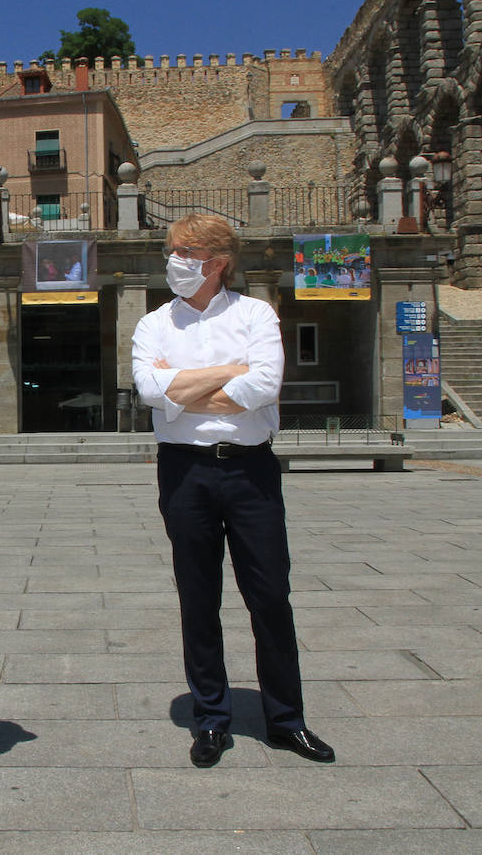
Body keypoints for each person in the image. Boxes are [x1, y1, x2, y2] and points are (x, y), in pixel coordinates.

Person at [131, 213, 334, 769]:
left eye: (182, 251)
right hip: (184, 472)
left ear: (216, 262)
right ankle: (212, 717)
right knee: (199, 598)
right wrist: (228, 371)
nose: (171, 259)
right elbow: (150, 389)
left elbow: (263, 385)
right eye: (171, 250)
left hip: (249, 472)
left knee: (269, 595)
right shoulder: (154, 325)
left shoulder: (255, 314)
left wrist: (184, 388)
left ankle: (286, 719)